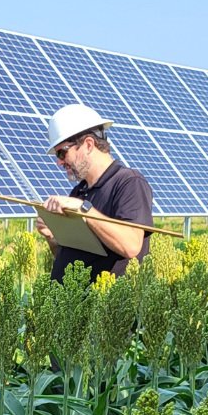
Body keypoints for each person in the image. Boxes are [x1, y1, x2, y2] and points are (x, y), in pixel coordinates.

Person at [35, 103, 154, 281]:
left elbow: (131, 245)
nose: (59, 162)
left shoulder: (129, 183)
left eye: (62, 153)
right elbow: (71, 256)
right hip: (74, 304)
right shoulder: (79, 191)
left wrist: (84, 210)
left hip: (105, 305)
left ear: (88, 145)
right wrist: (52, 236)